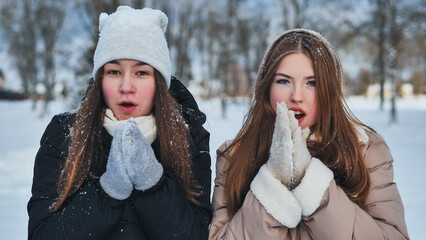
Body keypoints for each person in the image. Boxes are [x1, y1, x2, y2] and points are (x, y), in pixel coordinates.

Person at [27, 6, 211, 240]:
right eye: (113, 71)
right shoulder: (64, 135)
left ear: (159, 82)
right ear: (99, 79)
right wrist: (107, 193)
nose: (126, 87)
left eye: (141, 73)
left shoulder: (188, 137)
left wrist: (153, 184)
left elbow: (197, 234)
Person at [209, 29, 409, 239]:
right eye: (284, 81)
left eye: (311, 83)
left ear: (330, 90)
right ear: (266, 87)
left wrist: (314, 185)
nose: (296, 96)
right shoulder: (234, 156)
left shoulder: (365, 150)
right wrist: (272, 185)